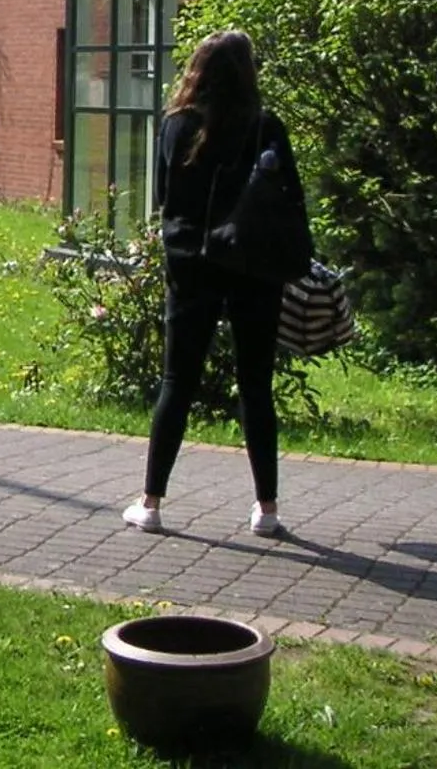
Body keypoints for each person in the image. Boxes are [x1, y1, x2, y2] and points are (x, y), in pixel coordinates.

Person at [123, 29, 305, 538]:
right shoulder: (267, 128)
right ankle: (266, 510)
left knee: (177, 383)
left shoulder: (176, 125)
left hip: (191, 263)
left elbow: (164, 194)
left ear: (197, 71)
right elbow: (290, 198)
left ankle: (151, 502)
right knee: (255, 386)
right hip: (253, 263)